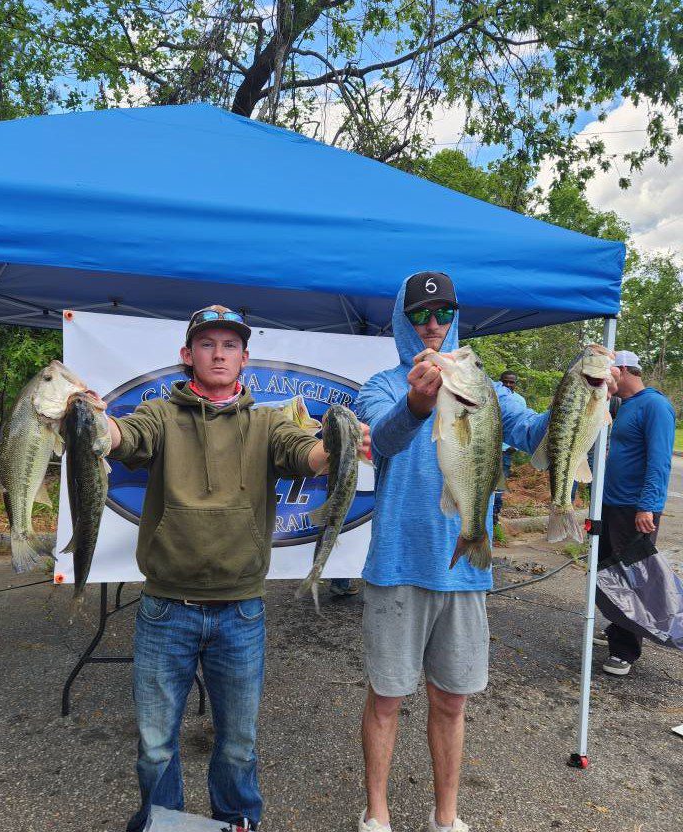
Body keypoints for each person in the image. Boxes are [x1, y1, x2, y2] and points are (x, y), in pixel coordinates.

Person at [104, 304, 370, 831]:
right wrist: (95, 422)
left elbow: (307, 455)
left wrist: (337, 444)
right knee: (155, 746)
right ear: (188, 354)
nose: (219, 354)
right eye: (208, 344)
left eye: (230, 345)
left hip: (241, 611)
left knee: (238, 744)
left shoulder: (267, 421)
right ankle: (162, 821)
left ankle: (237, 822)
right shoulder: (160, 414)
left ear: (245, 357)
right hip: (165, 608)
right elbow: (122, 438)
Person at [354, 272, 550, 832]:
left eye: (443, 313)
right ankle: (377, 812)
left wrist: (578, 399)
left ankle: (447, 815)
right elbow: (382, 439)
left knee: (452, 701)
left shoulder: (485, 387)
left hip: (465, 570)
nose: (433, 324)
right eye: (419, 314)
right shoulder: (382, 385)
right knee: (386, 697)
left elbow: (533, 433)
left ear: (457, 318)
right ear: (402, 321)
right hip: (397, 565)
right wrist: (417, 403)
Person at [594, 350, 675, 677]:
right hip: (611, 503)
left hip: (634, 508)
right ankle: (618, 627)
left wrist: (648, 507)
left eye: (609, 372)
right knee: (608, 571)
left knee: (632, 578)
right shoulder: (624, 405)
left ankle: (625, 651)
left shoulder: (655, 406)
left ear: (624, 369)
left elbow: (660, 461)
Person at [492, 371, 526, 526]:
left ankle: (495, 515)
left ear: (515, 384)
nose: (508, 385)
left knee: (500, 483)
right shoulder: (493, 395)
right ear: (500, 381)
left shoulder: (520, 400)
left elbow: (521, 424)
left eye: (511, 382)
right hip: (491, 448)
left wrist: (514, 447)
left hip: (506, 450)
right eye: (505, 381)